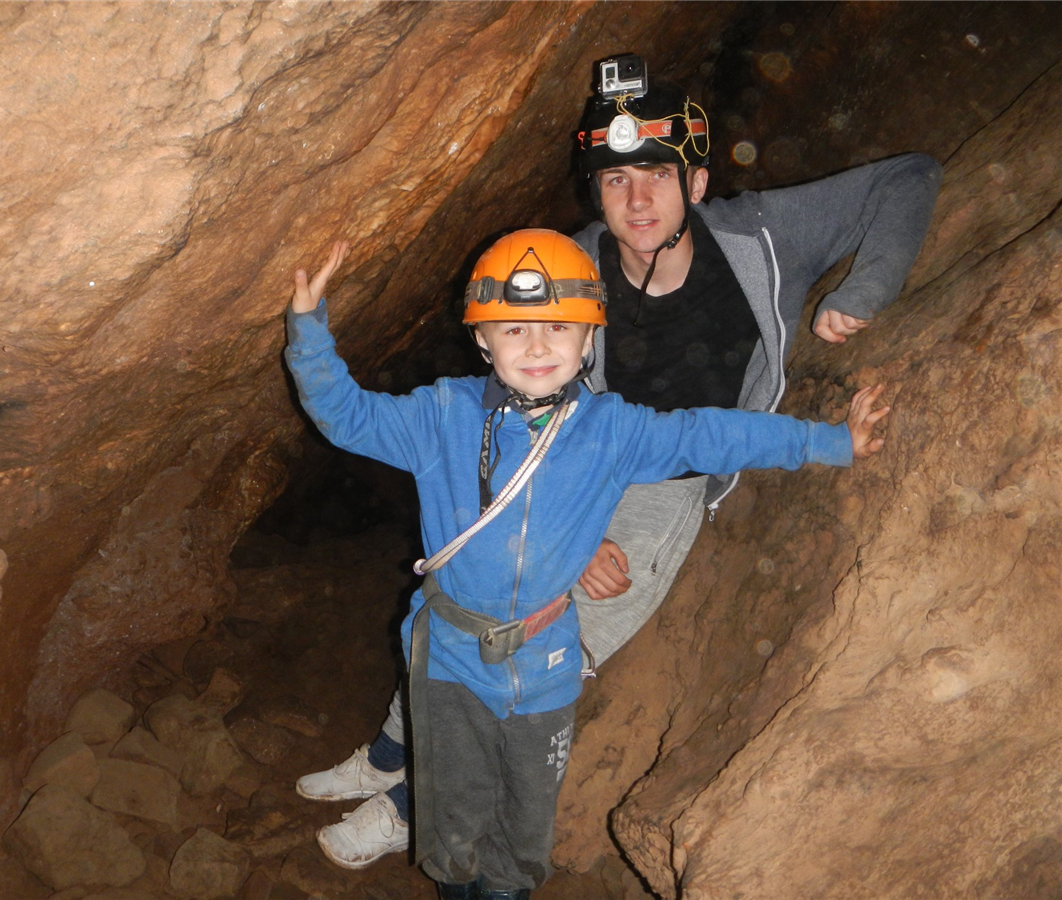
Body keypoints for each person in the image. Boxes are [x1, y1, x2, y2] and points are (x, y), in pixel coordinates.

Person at [297, 53, 941, 870]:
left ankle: (411, 803)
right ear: (595, 193)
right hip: (574, 449)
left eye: (657, 177)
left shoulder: (763, 235)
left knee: (551, 633)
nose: (637, 201)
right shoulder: (572, 267)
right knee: (470, 592)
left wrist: (863, 291)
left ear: (696, 184)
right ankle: (391, 752)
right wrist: (568, 532)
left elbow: (910, 178)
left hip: (665, 475)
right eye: (615, 180)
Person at [286, 227, 889, 899]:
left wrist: (830, 442)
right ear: (482, 340)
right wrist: (309, 328)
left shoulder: (614, 431)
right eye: (513, 330)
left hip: (545, 666)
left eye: (559, 327)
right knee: (453, 821)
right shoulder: (440, 416)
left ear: (589, 339)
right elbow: (346, 416)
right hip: (451, 662)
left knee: (523, 825)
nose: (537, 347)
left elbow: (714, 434)